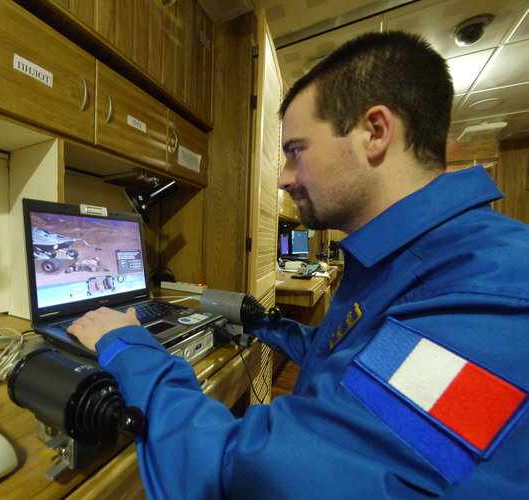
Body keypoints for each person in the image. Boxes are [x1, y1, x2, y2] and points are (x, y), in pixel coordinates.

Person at [68, 31, 529, 499]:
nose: (285, 178)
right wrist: (264, 324)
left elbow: (252, 473)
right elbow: (360, 364)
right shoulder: (416, 261)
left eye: (295, 150)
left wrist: (125, 345)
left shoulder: (482, 296)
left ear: (375, 131)